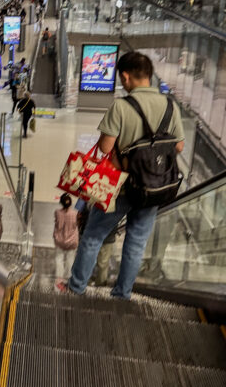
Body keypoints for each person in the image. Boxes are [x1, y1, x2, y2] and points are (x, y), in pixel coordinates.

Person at [57, 51, 185, 300]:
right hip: (154, 189)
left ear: (126, 77)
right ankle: (122, 294)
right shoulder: (171, 105)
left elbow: (105, 147)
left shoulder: (122, 106)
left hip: (122, 187)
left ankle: (76, 287)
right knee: (136, 243)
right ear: (149, 75)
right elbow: (179, 146)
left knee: (94, 235)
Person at [53, 194, 79, 278]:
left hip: (59, 240)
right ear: (70, 203)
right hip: (72, 241)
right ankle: (68, 276)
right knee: (70, 259)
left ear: (61, 202)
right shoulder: (75, 213)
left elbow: (57, 223)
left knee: (59, 259)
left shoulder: (57, 212)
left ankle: (59, 276)